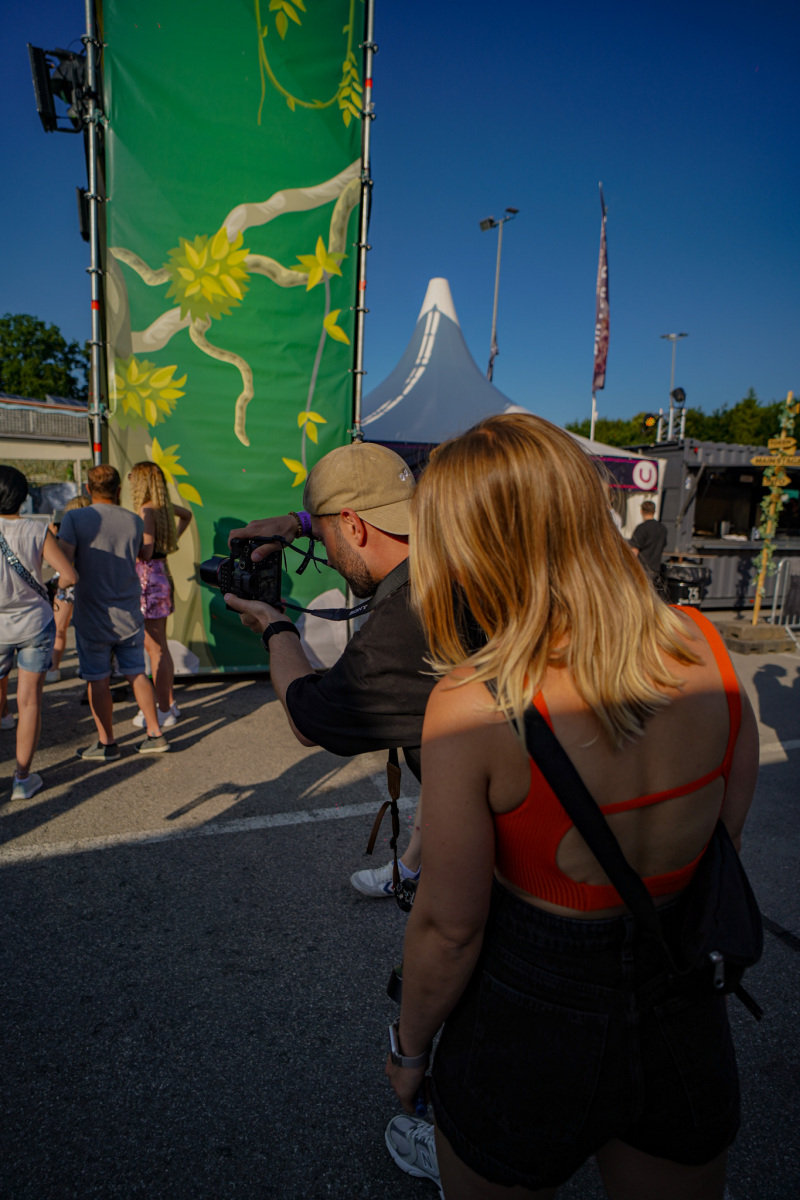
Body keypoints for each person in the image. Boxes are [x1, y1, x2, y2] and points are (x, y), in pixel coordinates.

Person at [384, 413, 758, 1200]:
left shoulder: (474, 702)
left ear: (468, 547)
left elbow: (450, 928)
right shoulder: (708, 648)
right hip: (681, 993)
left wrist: (409, 1048)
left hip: (532, 1004)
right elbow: (723, 838)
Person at [225, 441, 434, 896]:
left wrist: (274, 627)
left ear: (353, 525)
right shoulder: (454, 553)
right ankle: (414, 865)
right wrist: (302, 522)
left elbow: (310, 719)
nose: (330, 559)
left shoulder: (399, 628)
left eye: (322, 542)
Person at [57, 464, 169, 758]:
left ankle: (107, 743)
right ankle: (155, 733)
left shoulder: (74, 518)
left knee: (98, 678)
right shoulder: (133, 520)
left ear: (87, 489)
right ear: (118, 490)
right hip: (128, 611)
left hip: (92, 614)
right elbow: (144, 553)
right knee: (136, 673)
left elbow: (64, 565)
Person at [0, 465, 78, 800]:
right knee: (29, 701)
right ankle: (22, 779)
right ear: (22, 496)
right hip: (35, 622)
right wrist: (51, 588)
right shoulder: (37, 529)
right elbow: (69, 576)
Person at [127, 461, 192, 730]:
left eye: (132, 477)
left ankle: (163, 709)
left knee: (154, 649)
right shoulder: (162, 506)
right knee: (160, 647)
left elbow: (146, 550)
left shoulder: (146, 509)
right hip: (161, 574)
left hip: (148, 579)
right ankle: (169, 702)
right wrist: (172, 541)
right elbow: (187, 515)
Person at [45, 494, 92, 683]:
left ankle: (54, 668)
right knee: (87, 629)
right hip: (88, 582)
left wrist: (52, 534)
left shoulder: (68, 531)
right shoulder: (94, 530)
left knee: (60, 628)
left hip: (66, 584)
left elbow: (61, 558)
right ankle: (87, 665)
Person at [629, 498, 668, 576]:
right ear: (654, 511)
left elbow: (634, 551)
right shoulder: (662, 528)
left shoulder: (641, 528)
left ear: (641, 511)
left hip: (642, 570)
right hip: (656, 570)